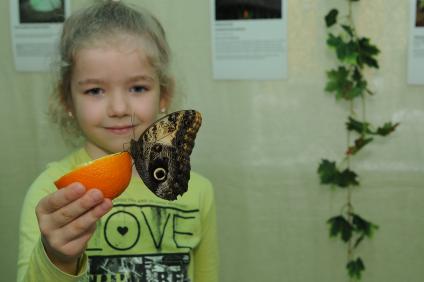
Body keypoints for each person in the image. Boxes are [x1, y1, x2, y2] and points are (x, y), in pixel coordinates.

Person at [17, 1, 219, 281]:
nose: (119, 108)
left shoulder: (196, 191)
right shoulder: (50, 194)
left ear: (164, 95)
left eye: (138, 87)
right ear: (67, 100)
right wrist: (58, 258)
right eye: (95, 90)